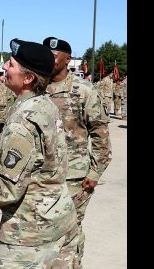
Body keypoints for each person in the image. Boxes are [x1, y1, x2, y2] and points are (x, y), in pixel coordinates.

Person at [0, 39, 78, 269]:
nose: (4, 68)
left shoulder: (22, 120)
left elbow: (7, 190)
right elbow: (19, 143)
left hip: (29, 236)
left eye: (10, 65)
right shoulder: (43, 105)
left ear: (28, 78)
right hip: (58, 221)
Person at [43, 36, 112, 268]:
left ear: (67, 59)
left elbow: (101, 137)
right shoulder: (37, 87)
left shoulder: (83, 90)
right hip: (42, 176)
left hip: (74, 177)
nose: (49, 59)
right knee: (45, 233)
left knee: (69, 233)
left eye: (54, 56)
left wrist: (94, 174)